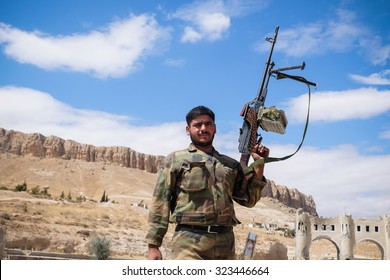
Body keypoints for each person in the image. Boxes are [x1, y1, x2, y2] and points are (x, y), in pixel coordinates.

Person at [145, 105, 270, 260]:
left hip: (225, 243)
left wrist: (259, 165)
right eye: (197, 125)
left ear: (215, 128)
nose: (203, 128)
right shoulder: (175, 160)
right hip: (189, 242)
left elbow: (248, 201)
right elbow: (160, 201)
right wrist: (153, 245)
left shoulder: (230, 165)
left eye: (208, 124)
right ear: (187, 129)